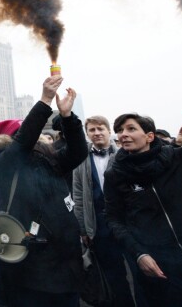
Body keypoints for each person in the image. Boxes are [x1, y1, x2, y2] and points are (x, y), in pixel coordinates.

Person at [103, 65, 182, 307]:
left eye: (131, 128)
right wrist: (139, 254)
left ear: (150, 136)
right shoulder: (116, 174)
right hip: (159, 267)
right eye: (120, 130)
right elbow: (114, 219)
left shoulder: (180, 157)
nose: (123, 134)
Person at [0, 75, 87, 307]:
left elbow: (78, 152)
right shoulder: (6, 163)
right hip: (33, 264)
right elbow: (24, 141)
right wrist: (45, 101)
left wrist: (67, 117)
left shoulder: (49, 159)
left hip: (66, 259)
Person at [72, 115, 136, 307]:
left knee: (140, 270)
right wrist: (83, 228)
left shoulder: (126, 153)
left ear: (109, 131)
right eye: (92, 130)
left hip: (129, 222)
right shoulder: (81, 159)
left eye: (100, 129)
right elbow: (78, 195)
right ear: (87, 134)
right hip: (99, 225)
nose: (97, 133)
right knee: (113, 275)